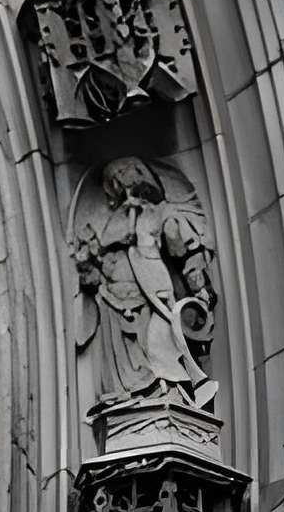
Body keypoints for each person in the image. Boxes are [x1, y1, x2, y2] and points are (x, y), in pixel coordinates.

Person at [74, 156, 217, 408]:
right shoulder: (116, 220)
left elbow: (180, 245)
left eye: (126, 173)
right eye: (116, 179)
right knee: (122, 354)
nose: (122, 181)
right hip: (113, 299)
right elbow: (99, 256)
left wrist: (199, 286)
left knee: (158, 344)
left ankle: (165, 391)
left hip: (150, 293)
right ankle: (128, 393)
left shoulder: (160, 212)